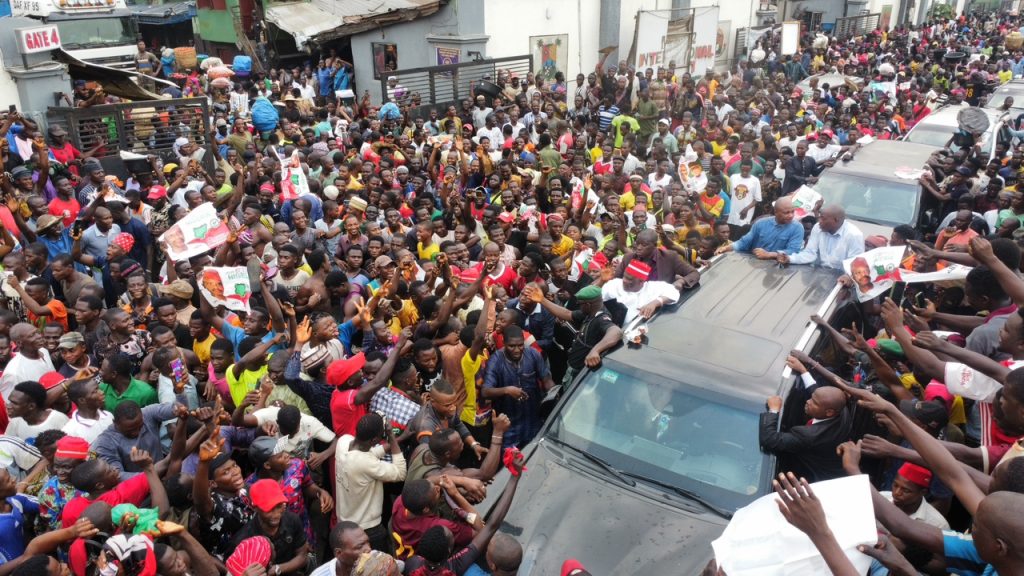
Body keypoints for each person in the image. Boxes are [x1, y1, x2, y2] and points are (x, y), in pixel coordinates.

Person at [759, 354, 854, 482]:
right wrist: (803, 371)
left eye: (814, 402)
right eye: (811, 398)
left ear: (829, 412)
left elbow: (769, 440)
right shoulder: (842, 411)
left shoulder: (808, 436)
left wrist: (773, 410)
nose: (808, 401)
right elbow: (818, 394)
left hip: (820, 477)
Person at [334, 413, 406, 552]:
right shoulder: (365, 463)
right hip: (368, 528)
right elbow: (400, 473)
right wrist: (392, 437)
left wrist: (401, 438)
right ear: (374, 440)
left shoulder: (343, 442)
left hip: (345, 523)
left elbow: (369, 453)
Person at [779, 205, 864, 269]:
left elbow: (855, 266)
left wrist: (847, 278)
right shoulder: (818, 228)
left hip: (841, 278)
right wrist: (790, 259)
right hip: (820, 274)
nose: (819, 221)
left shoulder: (854, 235)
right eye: (819, 218)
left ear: (836, 220)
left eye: (823, 219)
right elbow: (810, 253)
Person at [717, 197, 803, 260]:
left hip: (779, 267)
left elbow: (793, 251)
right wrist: (726, 248)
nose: (791, 215)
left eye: (792, 212)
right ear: (776, 212)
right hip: (755, 264)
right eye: (786, 213)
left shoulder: (797, 228)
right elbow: (744, 242)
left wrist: (769, 255)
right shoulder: (761, 223)